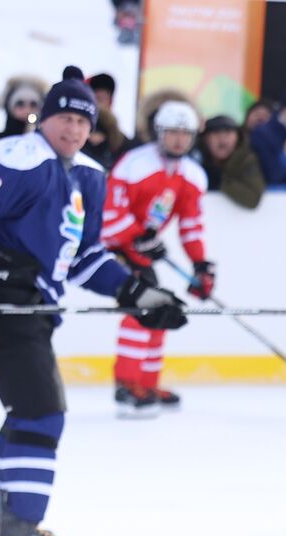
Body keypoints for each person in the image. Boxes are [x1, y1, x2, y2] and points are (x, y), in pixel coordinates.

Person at [0, 67, 186, 536]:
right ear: (44, 119)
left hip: (36, 308)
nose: (72, 129)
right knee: (42, 411)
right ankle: (22, 532)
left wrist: (137, 291)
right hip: (1, 302)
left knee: (27, 411)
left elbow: (84, 258)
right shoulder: (16, 156)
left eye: (82, 121)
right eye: (64, 118)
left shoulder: (89, 175)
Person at [101, 99, 212, 417]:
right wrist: (138, 237)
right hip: (110, 247)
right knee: (142, 308)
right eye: (172, 132)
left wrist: (200, 264)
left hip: (140, 250)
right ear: (159, 133)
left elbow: (191, 224)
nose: (179, 139)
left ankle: (147, 382)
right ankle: (126, 385)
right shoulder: (133, 165)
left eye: (185, 133)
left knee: (161, 307)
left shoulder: (192, 175)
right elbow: (108, 216)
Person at [198, 114, 264, 209]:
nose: (222, 138)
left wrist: (221, 182)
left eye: (228, 132)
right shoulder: (195, 161)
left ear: (238, 138)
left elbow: (253, 198)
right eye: (216, 133)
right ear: (205, 139)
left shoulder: (246, 160)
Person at [0, 75, 46, 141]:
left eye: (33, 105)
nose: (27, 110)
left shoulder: (48, 143)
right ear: (10, 107)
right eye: (20, 104)